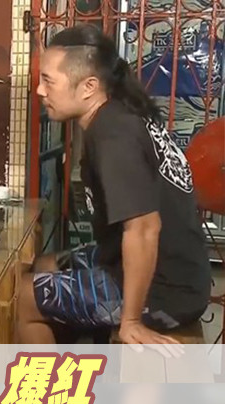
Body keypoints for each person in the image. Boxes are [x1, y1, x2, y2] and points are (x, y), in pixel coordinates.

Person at [16, 24, 211, 347]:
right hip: (160, 267)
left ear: (89, 87)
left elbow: (145, 228)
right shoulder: (115, 115)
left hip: (166, 292)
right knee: (44, 265)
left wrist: (131, 321)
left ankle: (52, 382)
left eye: (48, 80)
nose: (39, 90)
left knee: (20, 298)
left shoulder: (113, 135)